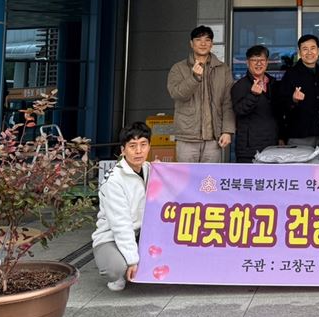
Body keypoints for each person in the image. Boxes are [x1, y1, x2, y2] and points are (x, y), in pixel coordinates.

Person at [92, 122, 152, 291]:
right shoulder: (114, 181)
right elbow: (121, 225)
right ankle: (118, 273)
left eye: (143, 145)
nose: (138, 151)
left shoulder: (150, 169)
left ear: (149, 146)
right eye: (132, 146)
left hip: (141, 234)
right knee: (116, 268)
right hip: (110, 236)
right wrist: (132, 260)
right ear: (123, 150)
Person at [166, 24, 234, 163]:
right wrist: (194, 78)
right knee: (186, 176)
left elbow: (228, 102)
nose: (203, 43)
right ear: (191, 43)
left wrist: (227, 131)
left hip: (213, 137)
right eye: (198, 40)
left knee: (209, 177)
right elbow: (177, 94)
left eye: (207, 40)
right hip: (187, 137)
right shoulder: (178, 68)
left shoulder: (223, 69)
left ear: (212, 44)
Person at [278, 34, 319, 147]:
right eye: (305, 49)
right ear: (299, 52)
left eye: (312, 48)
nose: (309, 52)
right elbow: (279, 106)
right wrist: (293, 100)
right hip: (298, 136)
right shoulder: (290, 75)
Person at [230, 45, 279, 162]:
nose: (258, 63)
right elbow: (239, 111)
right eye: (254, 60)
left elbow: (279, 113)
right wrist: (253, 95)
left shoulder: (273, 83)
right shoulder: (240, 85)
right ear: (247, 63)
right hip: (248, 149)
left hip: (272, 146)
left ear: (267, 62)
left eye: (262, 60)